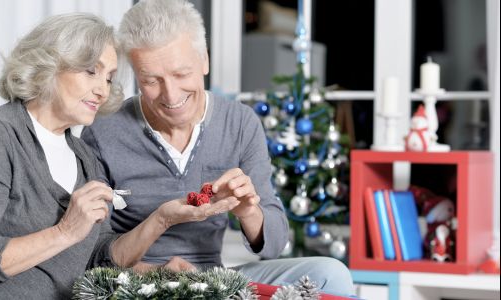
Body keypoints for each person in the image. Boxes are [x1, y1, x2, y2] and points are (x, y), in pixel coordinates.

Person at [81, 0, 354, 296]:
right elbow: (93, 255)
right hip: (135, 283)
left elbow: (274, 245)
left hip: (216, 280)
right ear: (135, 74)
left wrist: (249, 210)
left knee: (330, 274)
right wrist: (157, 250)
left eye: (182, 74)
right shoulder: (102, 130)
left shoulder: (239, 122)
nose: (170, 95)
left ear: (204, 61)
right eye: (151, 80)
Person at [0, 13, 238, 299]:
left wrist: (161, 227)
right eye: (91, 71)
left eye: (108, 78)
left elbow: (99, 260)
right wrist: (65, 231)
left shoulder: (83, 157)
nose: (102, 90)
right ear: (48, 66)